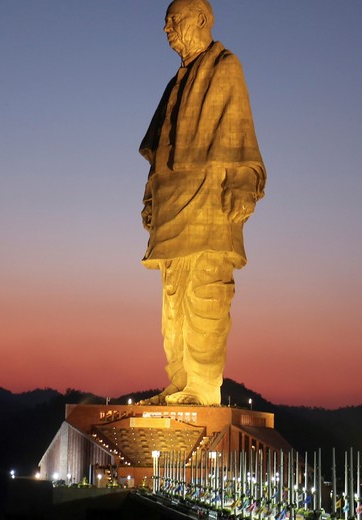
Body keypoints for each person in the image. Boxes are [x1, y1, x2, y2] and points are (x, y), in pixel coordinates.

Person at [138, 0, 265, 406]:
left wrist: (241, 182)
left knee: (206, 292)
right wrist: (151, 196)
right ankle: (179, 381)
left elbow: (239, 132)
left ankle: (203, 384)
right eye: (166, 23)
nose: (168, 29)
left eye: (174, 20)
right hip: (172, 200)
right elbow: (159, 149)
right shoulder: (174, 83)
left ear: (202, 19)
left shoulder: (225, 66)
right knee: (173, 298)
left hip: (209, 197)